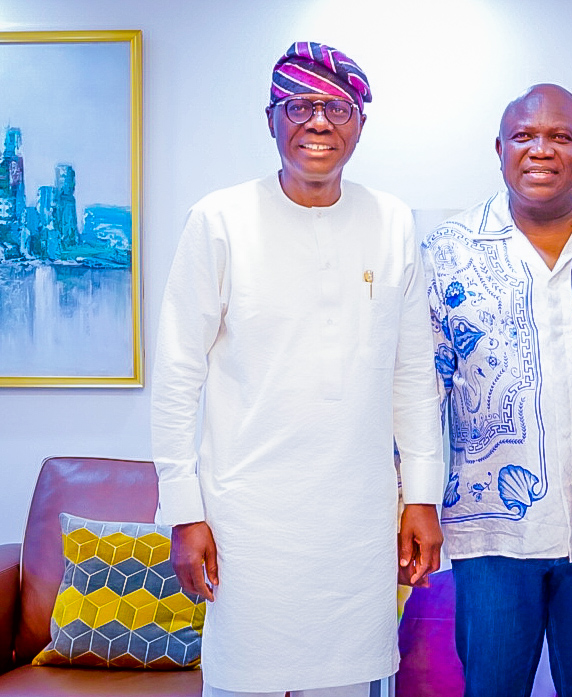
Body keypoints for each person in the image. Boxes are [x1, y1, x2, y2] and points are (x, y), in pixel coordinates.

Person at [151, 41, 444, 697]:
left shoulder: (393, 221)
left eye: (337, 107)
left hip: (357, 523)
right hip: (247, 523)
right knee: (244, 680)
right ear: (270, 118)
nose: (318, 123)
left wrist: (420, 494)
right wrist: (184, 511)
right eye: (300, 105)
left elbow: (413, 375)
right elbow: (176, 377)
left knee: (354, 680)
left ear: (361, 123)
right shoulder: (218, 220)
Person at [421, 84, 572, 697]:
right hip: (490, 529)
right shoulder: (448, 250)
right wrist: (412, 500)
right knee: (492, 685)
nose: (542, 150)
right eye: (525, 136)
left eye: (561, 136)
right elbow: (423, 386)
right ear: (499, 148)